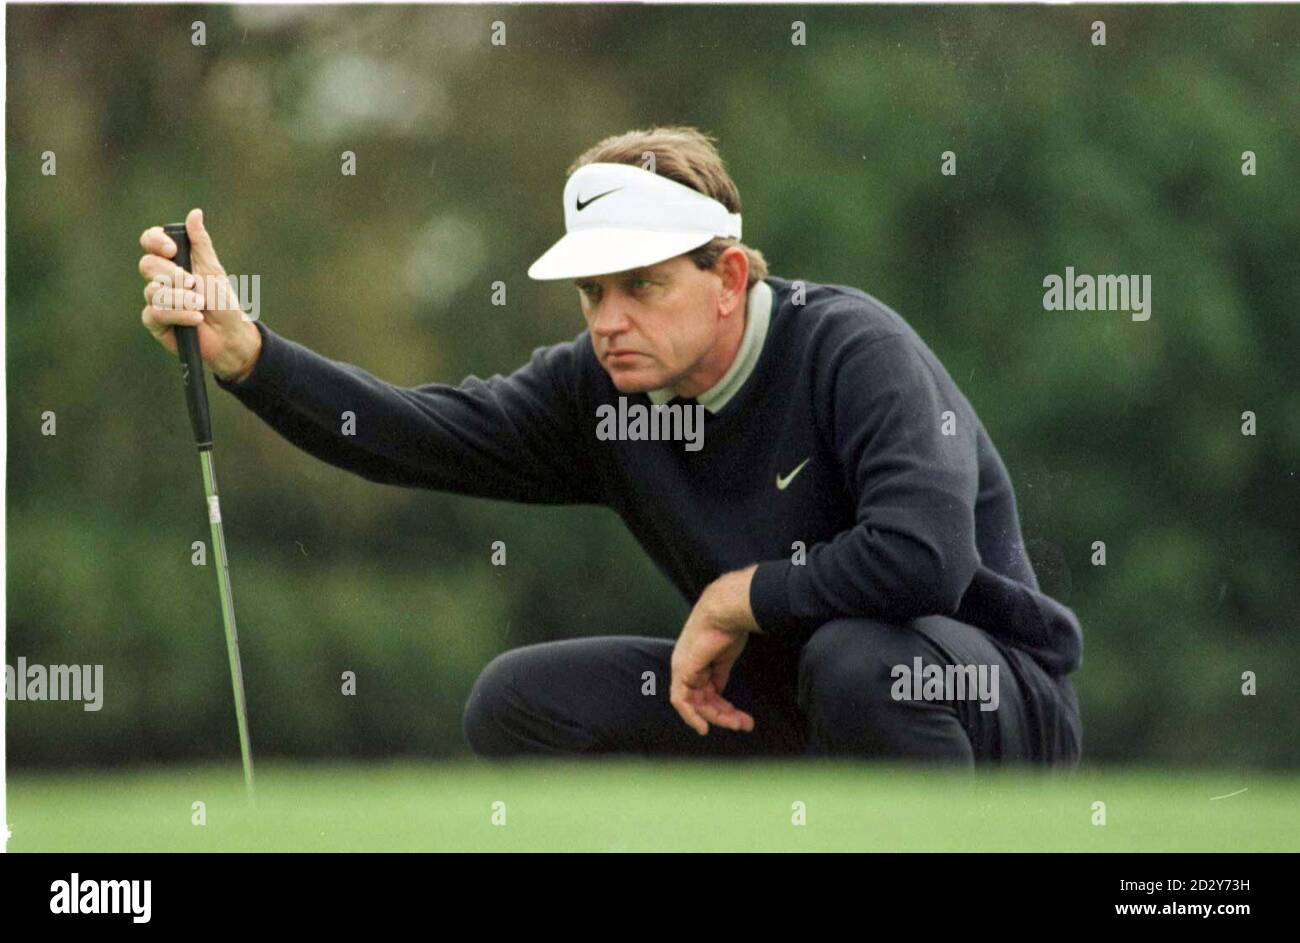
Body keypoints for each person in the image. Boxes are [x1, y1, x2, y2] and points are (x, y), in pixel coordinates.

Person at [138, 126, 1082, 764]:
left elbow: (924, 556)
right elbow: (419, 432)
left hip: (981, 695)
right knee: (518, 699)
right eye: (593, 293)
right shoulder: (602, 389)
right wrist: (247, 355)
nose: (610, 320)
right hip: (788, 702)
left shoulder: (850, 348)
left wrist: (738, 595)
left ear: (730, 275)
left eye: (641, 285)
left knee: (853, 660)